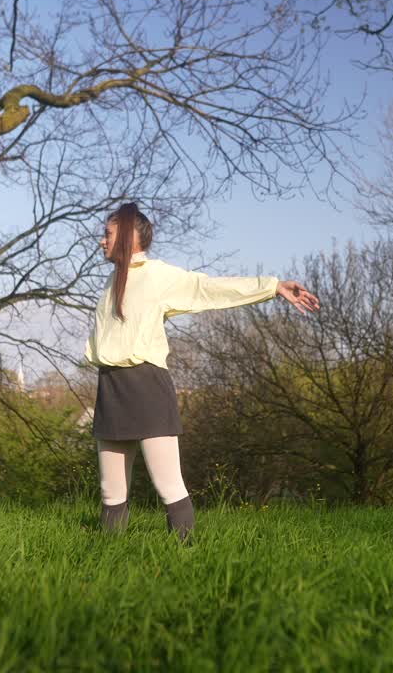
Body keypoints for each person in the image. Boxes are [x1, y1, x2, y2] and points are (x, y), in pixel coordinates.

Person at [85, 203, 320, 542]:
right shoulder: (111, 282)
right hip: (110, 386)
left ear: (128, 236)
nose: (102, 241)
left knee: (168, 484)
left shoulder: (159, 276)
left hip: (147, 388)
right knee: (111, 491)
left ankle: (186, 556)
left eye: (107, 234)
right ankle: (108, 557)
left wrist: (272, 286)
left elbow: (208, 289)